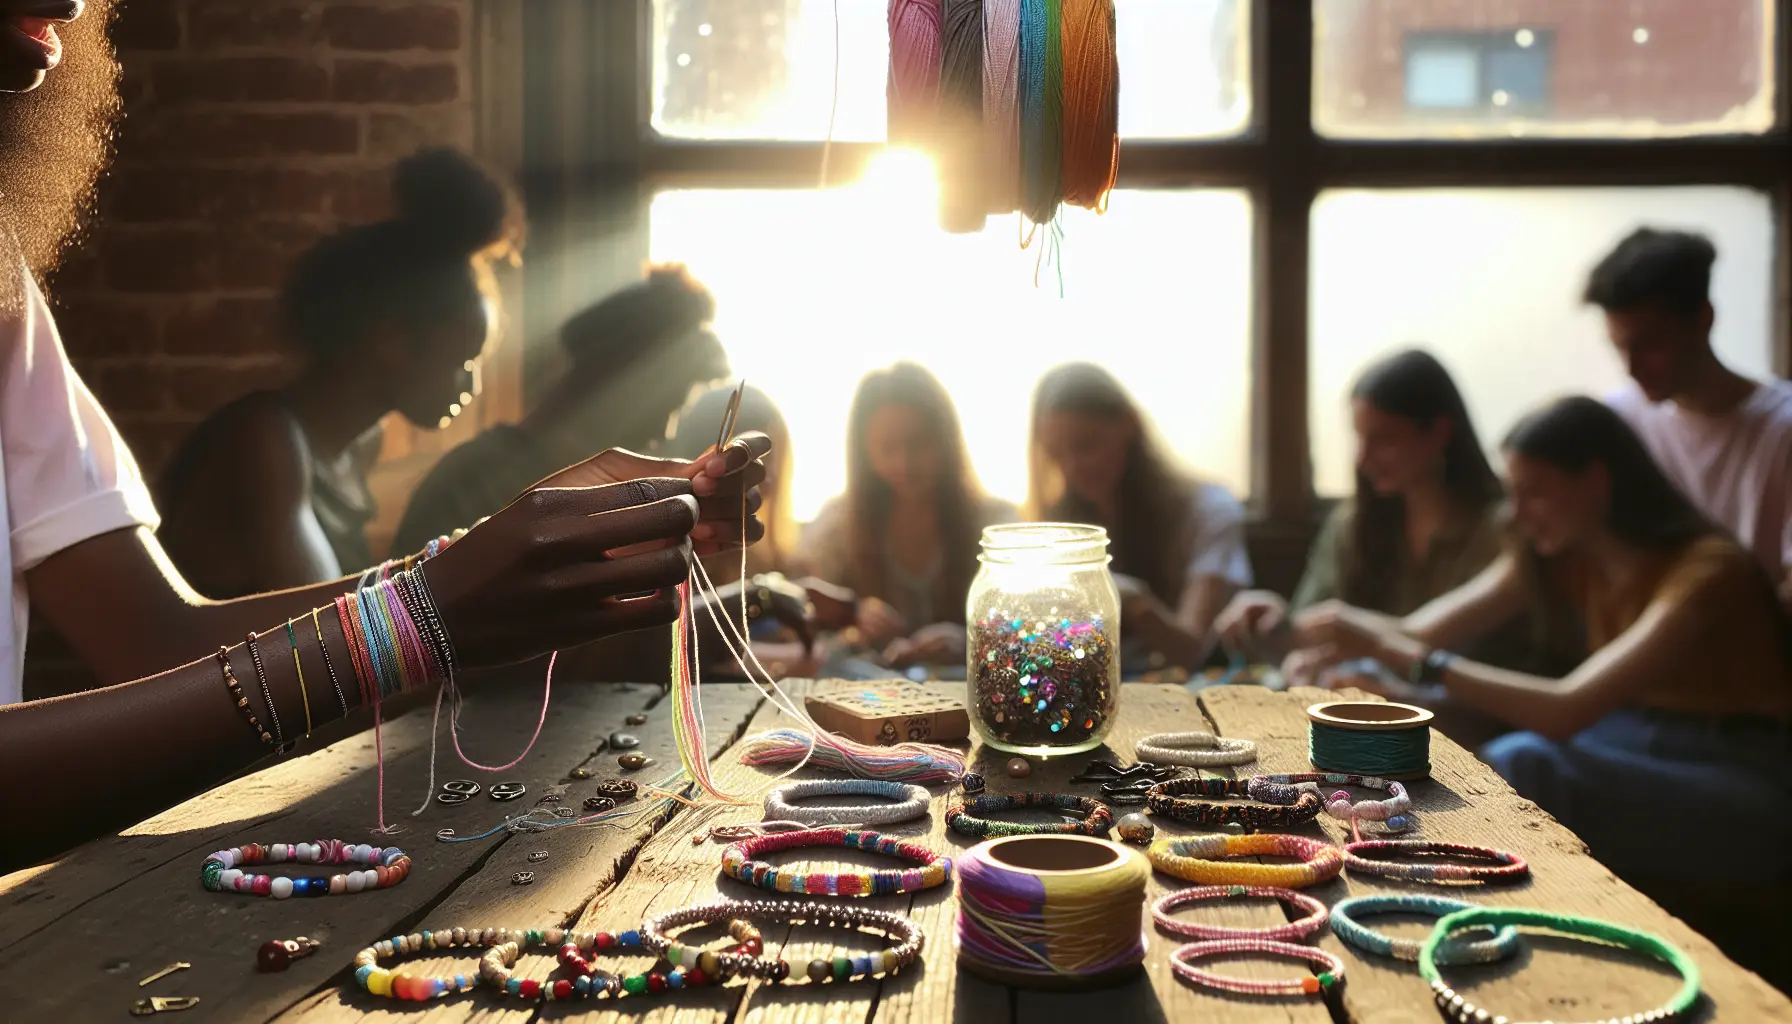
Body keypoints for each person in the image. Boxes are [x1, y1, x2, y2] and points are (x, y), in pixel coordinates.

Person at [0, 3, 772, 869]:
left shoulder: (4, 285)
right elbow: (296, 671)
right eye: (461, 354)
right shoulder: (268, 445)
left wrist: (512, 561)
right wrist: (430, 611)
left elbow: (159, 638)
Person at [1286, 396, 1790, 979]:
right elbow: (1413, 634)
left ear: (1597, 482)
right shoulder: (1560, 557)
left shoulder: (1708, 570)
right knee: (1458, 740)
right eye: (1513, 492)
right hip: (1627, 742)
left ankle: (1495, 950)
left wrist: (1409, 659)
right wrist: (1326, 640)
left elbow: (1565, 709)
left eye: (1535, 491)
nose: (1518, 513)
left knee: (1524, 758)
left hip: (1741, 779)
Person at [155, 147, 523, 598]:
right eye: (463, 362)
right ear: (391, 342)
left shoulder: (359, 446)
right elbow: (328, 628)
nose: (472, 385)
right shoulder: (265, 441)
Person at [1215, 350, 1514, 682]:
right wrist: (1278, 625)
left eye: (1383, 440)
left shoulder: (1500, 530)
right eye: (1359, 438)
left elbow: (1462, 655)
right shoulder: (1354, 524)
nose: (1363, 458)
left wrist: (1353, 644)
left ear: (1439, 432)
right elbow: (1307, 633)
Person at [391, 263, 731, 554]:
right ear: (609, 379)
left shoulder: (596, 493)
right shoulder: (471, 485)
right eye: (666, 405)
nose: (666, 430)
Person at [1586, 227, 1792, 609]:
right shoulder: (1621, 420)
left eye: (1649, 345)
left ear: (1703, 320)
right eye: (1620, 347)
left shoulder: (1781, 429)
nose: (1631, 368)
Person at [1027, 362, 1251, 671]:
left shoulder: (1208, 511)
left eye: (1086, 444)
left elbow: (1194, 651)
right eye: (1055, 454)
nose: (1072, 467)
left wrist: (1135, 603)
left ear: (1128, 424)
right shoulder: (1058, 525)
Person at [793, 361, 1018, 670]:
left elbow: (1030, 630)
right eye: (887, 448)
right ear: (865, 452)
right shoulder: (837, 529)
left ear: (946, 441)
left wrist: (972, 641)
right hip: (871, 700)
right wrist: (851, 622)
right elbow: (798, 622)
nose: (905, 463)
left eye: (919, 444)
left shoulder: (995, 526)